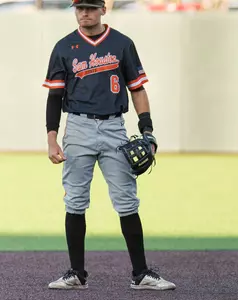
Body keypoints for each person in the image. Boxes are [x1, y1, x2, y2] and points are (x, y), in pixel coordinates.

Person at [43, 0, 175, 290]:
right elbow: (54, 97)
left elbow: (137, 88)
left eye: (90, 7)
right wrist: (52, 138)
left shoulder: (122, 44)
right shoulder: (64, 46)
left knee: (127, 200)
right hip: (77, 127)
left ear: (103, 9)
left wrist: (147, 130)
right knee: (75, 200)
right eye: (80, 8)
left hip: (115, 126)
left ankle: (141, 274)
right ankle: (76, 274)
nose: (85, 13)